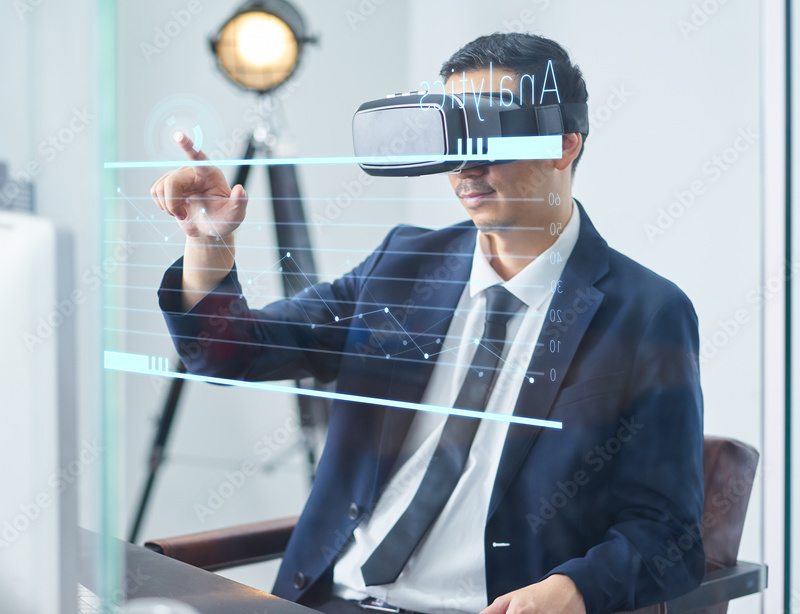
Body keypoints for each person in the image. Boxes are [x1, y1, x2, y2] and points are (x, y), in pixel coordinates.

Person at [151, 33, 704, 614]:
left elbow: (669, 531)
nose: (465, 163)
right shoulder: (402, 265)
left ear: (564, 144)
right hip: (331, 599)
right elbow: (227, 354)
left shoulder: (645, 313)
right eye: (452, 135)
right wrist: (208, 244)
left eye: (490, 132)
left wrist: (574, 590)